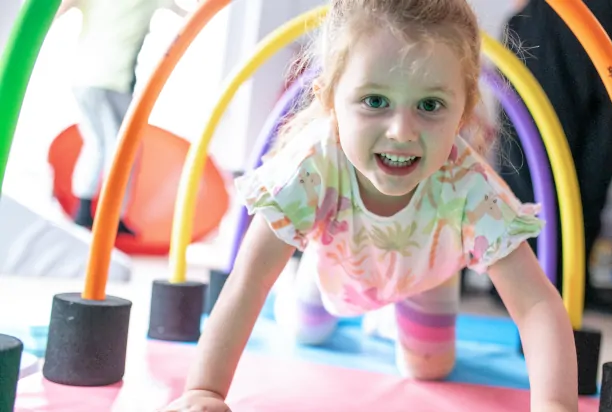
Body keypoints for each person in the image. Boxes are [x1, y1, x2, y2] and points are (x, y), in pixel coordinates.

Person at [161, 1, 578, 411]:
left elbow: (537, 304)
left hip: (424, 274)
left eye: (430, 106)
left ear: (464, 111)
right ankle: (310, 280)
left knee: (429, 368)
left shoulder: (469, 187)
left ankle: (391, 312)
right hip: (337, 264)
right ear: (330, 99)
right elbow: (249, 280)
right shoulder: (312, 167)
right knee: (305, 332)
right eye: (375, 101)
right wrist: (205, 391)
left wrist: (555, 404)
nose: (401, 132)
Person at [494, 0, 612, 315]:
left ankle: (574, 283)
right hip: (550, 16)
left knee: (597, 168)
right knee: (533, 163)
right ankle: (524, 279)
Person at [55, 0, 190, 235]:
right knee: (124, 151)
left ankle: (84, 211)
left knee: (98, 144)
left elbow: (58, 10)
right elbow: (189, 13)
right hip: (113, 81)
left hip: (83, 79)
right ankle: (110, 217)